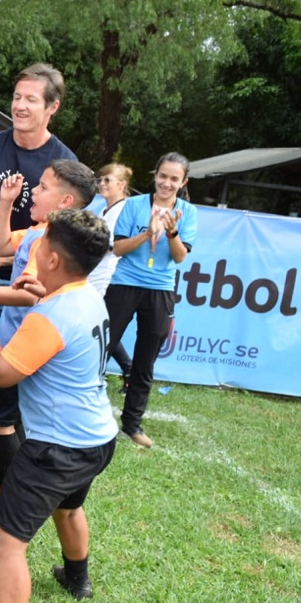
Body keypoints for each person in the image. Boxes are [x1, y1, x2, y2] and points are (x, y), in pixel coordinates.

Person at [0, 208, 117, 603]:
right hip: (97, 438)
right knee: (69, 507)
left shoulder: (52, 316)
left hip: (57, 448)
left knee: (7, 541)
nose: (38, 245)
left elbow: (0, 372)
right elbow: (56, 312)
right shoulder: (85, 294)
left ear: (51, 259)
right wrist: (40, 294)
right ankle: (76, 578)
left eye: (43, 241)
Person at [0, 63, 78, 525]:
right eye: (16, 96)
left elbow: (47, 249)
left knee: (4, 402)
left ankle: (12, 497)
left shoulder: (65, 165)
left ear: (52, 107)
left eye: (31, 99)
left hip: (7, 292)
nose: (19, 105)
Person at [0, 159, 97, 534]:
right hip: (25, 345)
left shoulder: (49, 243)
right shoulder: (39, 230)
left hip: (22, 347)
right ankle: (8, 498)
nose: (35, 191)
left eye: (43, 187)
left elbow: (28, 296)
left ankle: (7, 503)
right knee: (10, 421)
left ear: (65, 200)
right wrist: (7, 203)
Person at [105, 152, 198, 448]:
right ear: (155, 175)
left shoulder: (188, 212)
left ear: (183, 182)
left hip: (160, 289)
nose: (166, 183)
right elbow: (118, 249)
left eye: (174, 179)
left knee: (145, 362)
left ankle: (132, 424)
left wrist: (171, 232)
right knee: (100, 347)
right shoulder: (132, 205)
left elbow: (180, 256)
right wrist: (148, 233)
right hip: (123, 285)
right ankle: (76, 410)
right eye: (163, 176)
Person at [87, 163, 134, 389]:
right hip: (96, 272)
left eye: (108, 180)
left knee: (99, 324)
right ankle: (128, 369)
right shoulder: (105, 210)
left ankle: (117, 370)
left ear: (122, 185)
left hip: (108, 275)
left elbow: (109, 245)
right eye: (100, 179)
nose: (102, 184)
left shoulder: (123, 210)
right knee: (102, 325)